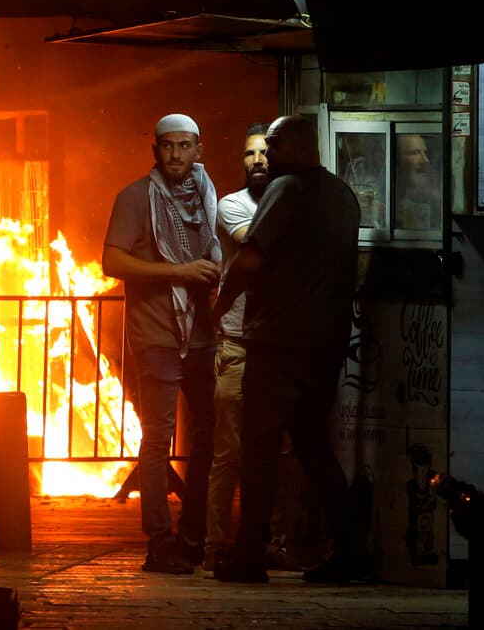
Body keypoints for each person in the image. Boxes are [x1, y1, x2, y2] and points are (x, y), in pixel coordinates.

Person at [212, 116, 361, 584]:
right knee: (315, 449)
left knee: (258, 451)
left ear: (295, 145)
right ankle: (348, 556)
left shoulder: (286, 189)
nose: (267, 155)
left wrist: (218, 307)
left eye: (273, 145)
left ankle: (249, 558)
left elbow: (251, 258)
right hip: (326, 344)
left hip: (277, 343)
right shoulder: (343, 195)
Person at [102, 113, 221, 574]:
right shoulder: (135, 197)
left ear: (198, 149)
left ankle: (193, 533)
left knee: (209, 434)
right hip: (156, 334)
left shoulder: (209, 199)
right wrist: (178, 271)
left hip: (204, 335)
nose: (176, 154)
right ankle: (159, 540)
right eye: (167, 146)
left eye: (184, 146)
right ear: (156, 150)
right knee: (157, 439)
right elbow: (111, 260)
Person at [204, 123, 298, 572]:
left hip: (277, 344)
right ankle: (217, 543)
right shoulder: (232, 205)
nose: (256, 160)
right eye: (248, 154)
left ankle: (273, 542)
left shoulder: (292, 201)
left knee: (277, 451)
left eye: (264, 152)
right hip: (239, 343)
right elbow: (256, 246)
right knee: (230, 452)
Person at [394, 133, 442, 231]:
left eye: (425, 152)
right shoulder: (386, 197)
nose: (425, 160)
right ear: (397, 159)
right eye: (415, 152)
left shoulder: (433, 189)